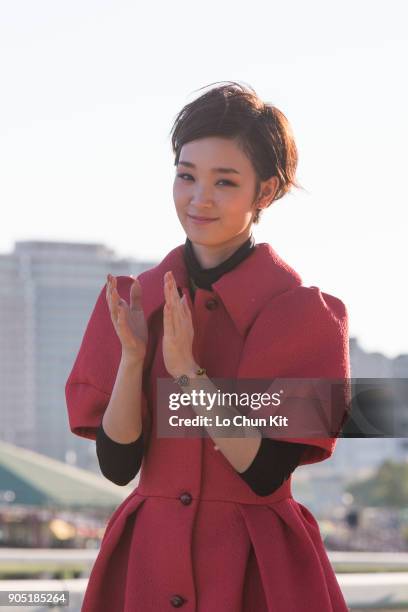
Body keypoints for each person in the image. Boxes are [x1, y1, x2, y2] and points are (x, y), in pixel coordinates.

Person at [65, 81, 351, 611]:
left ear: (264, 193)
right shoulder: (131, 302)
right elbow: (118, 464)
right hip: (146, 565)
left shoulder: (304, 316)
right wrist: (133, 359)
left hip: (257, 570)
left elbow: (265, 471)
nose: (199, 198)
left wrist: (188, 374)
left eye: (224, 181)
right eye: (186, 176)